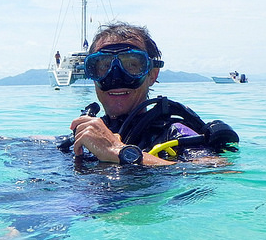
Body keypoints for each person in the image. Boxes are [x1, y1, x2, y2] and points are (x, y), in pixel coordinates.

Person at [65, 22, 238, 166]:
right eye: (102, 66)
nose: (116, 77)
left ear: (152, 75)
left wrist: (117, 151)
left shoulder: (175, 133)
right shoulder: (89, 131)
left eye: (132, 65)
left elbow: (222, 169)